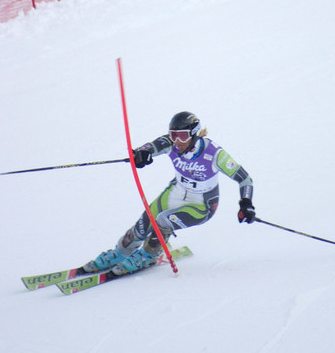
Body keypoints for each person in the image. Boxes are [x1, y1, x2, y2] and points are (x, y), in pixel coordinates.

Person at [82, 111, 256, 275]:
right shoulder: (171, 144)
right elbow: (149, 147)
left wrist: (246, 204)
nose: (177, 141)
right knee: (142, 226)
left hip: (202, 204)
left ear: (194, 134)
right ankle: (120, 252)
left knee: (163, 221)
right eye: (173, 135)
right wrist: (141, 154)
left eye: (182, 136)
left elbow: (245, 179)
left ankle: (148, 255)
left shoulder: (215, 154)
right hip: (176, 192)